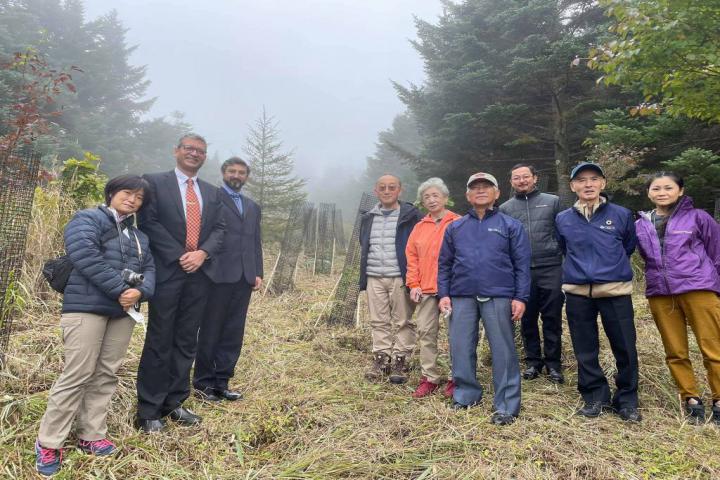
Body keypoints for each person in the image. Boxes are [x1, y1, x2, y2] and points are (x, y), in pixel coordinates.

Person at [35, 175, 155, 476]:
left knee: (106, 373)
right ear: (112, 193)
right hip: (86, 307)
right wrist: (121, 290)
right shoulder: (88, 218)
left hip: (123, 312)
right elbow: (84, 255)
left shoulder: (140, 238)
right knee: (77, 373)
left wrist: (141, 291)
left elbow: (151, 270)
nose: (132, 200)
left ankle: (92, 435)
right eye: (127, 193)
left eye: (139, 198)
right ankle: (49, 442)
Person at [135, 133, 226, 432]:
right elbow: (148, 222)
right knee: (160, 340)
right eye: (189, 148)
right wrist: (180, 255)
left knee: (187, 341)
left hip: (200, 276)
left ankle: (175, 402)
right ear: (176, 151)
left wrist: (202, 253)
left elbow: (219, 229)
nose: (194, 154)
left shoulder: (212, 192)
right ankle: (149, 409)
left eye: (200, 150)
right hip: (167, 273)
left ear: (205, 157)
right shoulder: (153, 182)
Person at [437, 172, 530, 426]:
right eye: (474, 187)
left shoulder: (510, 226)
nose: (480, 191)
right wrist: (443, 294)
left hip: (498, 295)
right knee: (460, 347)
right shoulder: (455, 227)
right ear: (467, 195)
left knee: (503, 350)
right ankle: (466, 395)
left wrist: (520, 297)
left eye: (486, 187)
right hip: (461, 296)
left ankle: (506, 405)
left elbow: (522, 265)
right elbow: (444, 264)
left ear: (497, 193)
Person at [555, 162, 641, 422]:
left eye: (593, 179)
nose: (588, 184)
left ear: (603, 183)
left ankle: (627, 400)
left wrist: (609, 270)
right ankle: (595, 396)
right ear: (573, 187)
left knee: (625, 346)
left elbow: (627, 246)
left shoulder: (622, 214)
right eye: (581, 180)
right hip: (578, 292)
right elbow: (564, 248)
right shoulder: (563, 219)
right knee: (585, 348)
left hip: (615, 291)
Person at [635, 172, 720, 425]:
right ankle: (691, 397)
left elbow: (717, 252)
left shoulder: (699, 217)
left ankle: (719, 399)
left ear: (680, 191)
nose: (662, 192)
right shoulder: (641, 223)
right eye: (656, 188)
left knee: (712, 347)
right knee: (675, 350)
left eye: (668, 188)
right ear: (649, 193)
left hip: (698, 288)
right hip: (660, 294)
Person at [193, 157, 263, 402]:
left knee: (233, 332)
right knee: (211, 330)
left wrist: (258, 272)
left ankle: (222, 382)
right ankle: (203, 383)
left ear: (246, 177)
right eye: (232, 171)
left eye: (241, 172)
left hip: (244, 277)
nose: (236, 175)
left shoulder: (252, 206)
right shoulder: (212, 199)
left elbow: (255, 241)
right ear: (223, 173)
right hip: (217, 275)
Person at [499, 164, 564, 384]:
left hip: (551, 266)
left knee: (552, 317)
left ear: (535, 178)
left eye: (526, 176)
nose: (522, 181)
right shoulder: (506, 208)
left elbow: (562, 232)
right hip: (522, 270)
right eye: (516, 178)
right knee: (527, 318)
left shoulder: (552, 201)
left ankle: (554, 364)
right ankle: (533, 362)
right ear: (511, 182)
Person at [360, 174, 423, 384]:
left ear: (400, 190)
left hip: (400, 277)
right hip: (374, 276)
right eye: (383, 188)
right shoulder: (368, 217)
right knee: (378, 320)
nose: (387, 191)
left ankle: (401, 360)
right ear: (376, 191)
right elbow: (364, 244)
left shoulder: (411, 215)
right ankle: (381, 358)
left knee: (403, 320)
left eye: (392, 187)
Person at [405, 178, 460, 398]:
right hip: (427, 290)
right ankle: (430, 377)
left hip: (453, 291)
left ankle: (458, 377)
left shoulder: (458, 222)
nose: (431, 199)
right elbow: (412, 258)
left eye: (435, 195)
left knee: (456, 334)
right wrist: (413, 284)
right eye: (426, 196)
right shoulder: (419, 227)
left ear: (446, 198)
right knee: (426, 333)